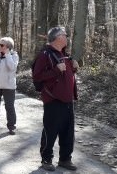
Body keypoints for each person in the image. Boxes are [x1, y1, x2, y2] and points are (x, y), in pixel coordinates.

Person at [33, 26, 79, 171]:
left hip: (67, 100)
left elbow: (66, 76)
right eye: (65, 35)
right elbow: (37, 76)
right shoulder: (45, 55)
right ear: (58, 37)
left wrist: (75, 68)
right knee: (50, 131)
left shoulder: (65, 55)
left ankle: (65, 159)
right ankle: (46, 160)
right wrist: (55, 70)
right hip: (53, 100)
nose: (67, 38)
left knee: (68, 132)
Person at [0, 37, 19, 135]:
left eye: (2, 45)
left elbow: (12, 68)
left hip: (8, 86)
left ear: (8, 46)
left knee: (9, 106)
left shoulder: (14, 55)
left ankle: (11, 126)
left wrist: (7, 54)